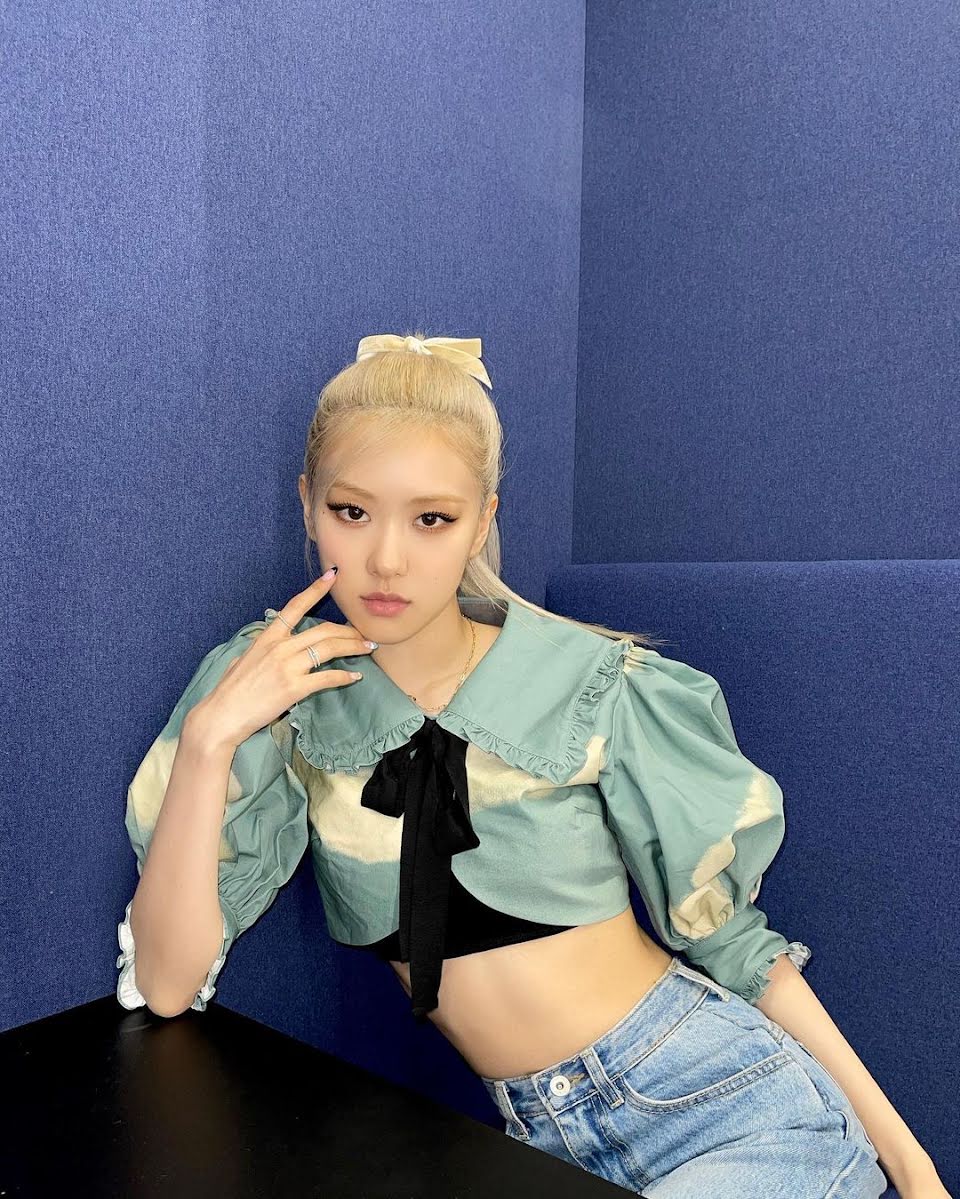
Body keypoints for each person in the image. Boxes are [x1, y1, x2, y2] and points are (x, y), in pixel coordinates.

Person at [116, 333, 943, 1199]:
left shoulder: (595, 684)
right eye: (352, 511)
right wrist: (209, 740)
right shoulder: (282, 695)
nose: (387, 559)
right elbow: (167, 987)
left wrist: (914, 1170)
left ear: (483, 519)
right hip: (543, 1141)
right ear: (307, 504)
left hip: (729, 1102)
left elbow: (737, 946)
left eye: (432, 519)